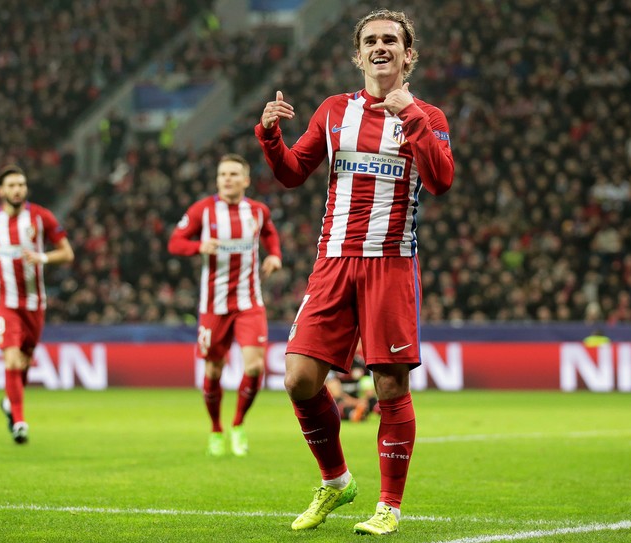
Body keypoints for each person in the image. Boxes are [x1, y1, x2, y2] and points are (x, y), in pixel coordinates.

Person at [254, 9, 454, 535]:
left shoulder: (429, 116)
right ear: (357, 54)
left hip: (390, 263)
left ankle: (389, 505)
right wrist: (271, 136)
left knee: (389, 386)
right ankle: (337, 482)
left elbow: (441, 180)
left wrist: (410, 115)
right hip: (334, 260)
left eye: (391, 40)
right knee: (298, 379)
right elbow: (294, 174)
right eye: (371, 40)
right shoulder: (334, 110)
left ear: (409, 54)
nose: (381, 46)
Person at [168, 153, 282, 457]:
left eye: (233, 174)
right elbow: (174, 242)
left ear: (245, 180)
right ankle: (216, 428)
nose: (227, 179)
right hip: (213, 306)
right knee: (214, 370)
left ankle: (238, 423)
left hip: (249, 302)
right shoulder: (202, 211)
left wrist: (274, 255)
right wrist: (197, 246)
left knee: (255, 365)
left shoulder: (257, 211)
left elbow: (270, 232)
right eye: (222, 175)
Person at [0, 165, 74, 444]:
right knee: (11, 358)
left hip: (35, 303)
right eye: (12, 185)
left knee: (23, 364)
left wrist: (43, 258)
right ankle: (20, 421)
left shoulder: (41, 217)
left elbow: (67, 253)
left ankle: (9, 403)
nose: (17, 190)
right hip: (3, 302)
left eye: (21, 185)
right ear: (0, 191)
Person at [326, 352, 377, 423]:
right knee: (336, 404)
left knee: (372, 400)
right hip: (342, 399)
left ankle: (376, 412)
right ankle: (354, 414)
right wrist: (356, 402)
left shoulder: (361, 363)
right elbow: (336, 393)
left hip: (357, 397)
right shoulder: (333, 364)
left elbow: (368, 387)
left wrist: (364, 400)